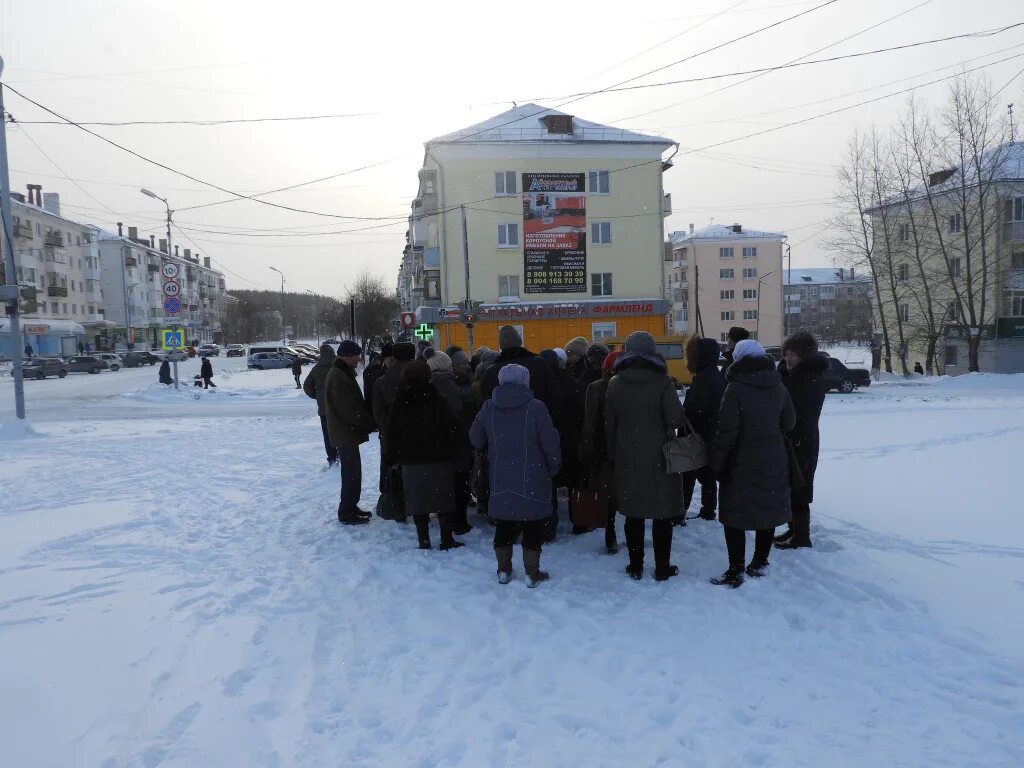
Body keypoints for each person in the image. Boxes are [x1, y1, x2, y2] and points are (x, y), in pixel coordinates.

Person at [709, 340, 796, 587]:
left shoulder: (735, 389)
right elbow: (789, 423)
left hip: (741, 460)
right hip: (773, 457)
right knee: (767, 509)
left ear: (738, 359)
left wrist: (717, 464)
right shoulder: (779, 386)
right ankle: (760, 562)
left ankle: (735, 570)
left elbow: (726, 432)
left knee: (734, 515)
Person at [470, 364, 561, 587]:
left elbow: (475, 437)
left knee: (504, 522)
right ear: (525, 381)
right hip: (532, 474)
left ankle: (503, 570)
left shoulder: (489, 407)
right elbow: (550, 442)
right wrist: (553, 466)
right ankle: (532, 573)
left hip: (500, 474)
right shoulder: (536, 407)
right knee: (531, 524)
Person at [605, 331, 685, 581]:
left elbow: (609, 424)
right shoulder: (663, 382)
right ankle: (662, 567)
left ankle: (635, 566)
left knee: (633, 512)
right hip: (659, 455)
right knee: (662, 511)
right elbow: (675, 419)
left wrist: (612, 452)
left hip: (627, 454)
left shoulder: (615, 383)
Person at [386, 360, 465, 550]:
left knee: (418, 501)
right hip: (439, 456)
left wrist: (392, 457)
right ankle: (447, 539)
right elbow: (453, 428)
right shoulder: (438, 399)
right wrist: (455, 449)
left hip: (411, 460)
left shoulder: (399, 402)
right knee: (443, 500)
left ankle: (424, 539)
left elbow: (391, 433)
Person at [775, 332, 827, 550]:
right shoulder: (790, 376)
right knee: (790, 488)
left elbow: (800, 414)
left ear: (804, 356)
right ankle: (794, 528)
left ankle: (802, 537)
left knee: (800, 489)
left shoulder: (809, 379)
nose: (788, 358)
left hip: (802, 441)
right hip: (790, 440)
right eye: (786, 354)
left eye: (793, 354)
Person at [325, 339, 376, 525]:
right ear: (347, 356)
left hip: (345, 432)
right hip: (345, 433)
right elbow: (350, 410)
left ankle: (350, 507)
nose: (359, 359)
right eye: (356, 355)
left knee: (353, 473)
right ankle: (347, 512)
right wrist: (369, 423)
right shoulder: (339, 376)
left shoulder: (341, 372)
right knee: (351, 474)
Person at [578, 349, 622, 554]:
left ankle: (610, 530)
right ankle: (627, 532)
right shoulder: (629, 387)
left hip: (602, 448)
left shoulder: (595, 388)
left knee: (606, 492)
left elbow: (589, 423)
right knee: (625, 492)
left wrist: (587, 451)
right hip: (625, 448)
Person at [427, 351, 473, 534]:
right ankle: (458, 523)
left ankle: (447, 520)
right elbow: (457, 414)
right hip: (454, 444)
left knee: (444, 484)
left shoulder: (430, 382)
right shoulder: (448, 384)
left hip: (437, 443)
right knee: (458, 483)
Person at [681, 337, 727, 523]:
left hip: (697, 434)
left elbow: (696, 408)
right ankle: (708, 510)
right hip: (709, 433)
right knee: (707, 475)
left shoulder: (704, 377)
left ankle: (680, 511)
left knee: (687, 474)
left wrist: (683, 413)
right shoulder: (713, 374)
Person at [373, 342, 416, 518]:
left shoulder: (381, 382)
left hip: (389, 436)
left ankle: (392, 499)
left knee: (390, 467)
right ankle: (413, 501)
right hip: (413, 435)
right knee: (413, 468)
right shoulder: (416, 379)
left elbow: (378, 412)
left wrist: (386, 432)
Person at [303, 343, 339, 467]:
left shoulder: (317, 368)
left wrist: (317, 396)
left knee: (327, 434)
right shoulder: (338, 366)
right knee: (340, 431)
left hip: (324, 409)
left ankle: (332, 457)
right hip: (339, 408)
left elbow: (307, 386)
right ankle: (341, 453)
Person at [363, 345, 390, 421]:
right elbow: (370, 391)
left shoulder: (379, 365)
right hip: (378, 408)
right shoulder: (374, 369)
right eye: (391, 360)